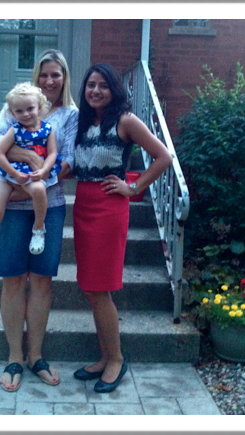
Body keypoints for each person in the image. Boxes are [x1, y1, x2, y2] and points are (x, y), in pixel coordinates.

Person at [0, 50, 78, 392]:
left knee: (42, 282)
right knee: (12, 280)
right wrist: (24, 156)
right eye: (44, 74)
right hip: (11, 209)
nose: (49, 80)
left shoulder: (70, 115)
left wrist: (32, 183)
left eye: (56, 74)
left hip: (48, 206)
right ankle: (14, 357)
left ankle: (35, 355)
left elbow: (69, 160)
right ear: (36, 76)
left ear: (64, 77)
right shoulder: (19, 105)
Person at [72, 64, 172, 393]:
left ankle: (116, 359)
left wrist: (133, 187)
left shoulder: (125, 120)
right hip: (83, 205)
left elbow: (163, 157)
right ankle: (105, 356)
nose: (95, 90)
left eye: (103, 85)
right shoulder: (83, 121)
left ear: (114, 89)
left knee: (100, 288)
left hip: (109, 207)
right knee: (90, 288)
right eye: (90, 85)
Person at [0, 82, 63, 257]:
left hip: (32, 172)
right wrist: (13, 174)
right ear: (12, 113)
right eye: (19, 111)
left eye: (30, 109)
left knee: (39, 189)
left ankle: (38, 229)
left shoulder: (48, 129)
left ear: (39, 107)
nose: (25, 114)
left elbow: (52, 153)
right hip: (9, 170)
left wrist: (44, 170)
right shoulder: (14, 130)